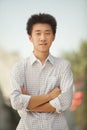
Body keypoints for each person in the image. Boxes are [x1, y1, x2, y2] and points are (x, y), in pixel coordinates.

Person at [10, 13, 74, 130]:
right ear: (30, 37)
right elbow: (16, 101)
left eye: (47, 33)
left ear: (53, 36)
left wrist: (29, 104)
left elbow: (66, 101)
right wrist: (50, 96)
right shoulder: (19, 68)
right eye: (38, 33)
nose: (43, 38)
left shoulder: (63, 66)